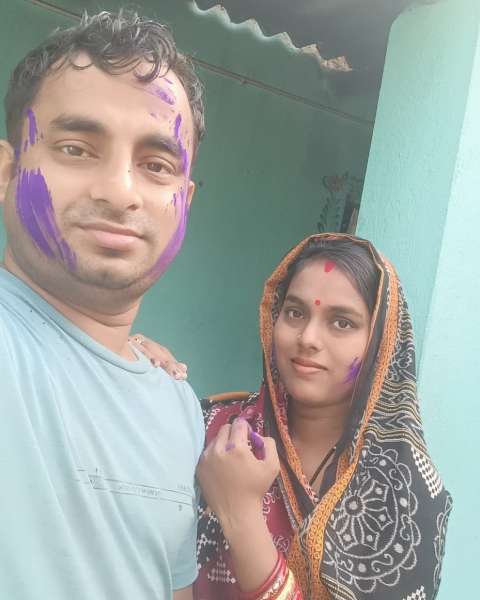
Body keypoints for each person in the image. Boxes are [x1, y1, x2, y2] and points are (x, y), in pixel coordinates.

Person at [0, 10, 205, 600]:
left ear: (185, 200)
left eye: (156, 165)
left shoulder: (179, 406)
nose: (119, 191)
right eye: (76, 148)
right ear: (7, 172)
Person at [138, 234, 452, 599]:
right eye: (295, 313)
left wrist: (241, 514)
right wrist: (129, 367)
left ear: (381, 344)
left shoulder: (408, 493)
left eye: (342, 322)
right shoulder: (212, 428)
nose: (308, 337)